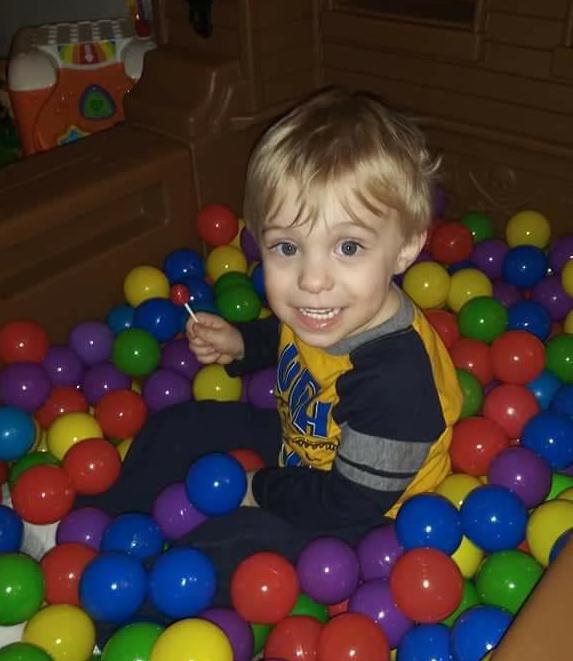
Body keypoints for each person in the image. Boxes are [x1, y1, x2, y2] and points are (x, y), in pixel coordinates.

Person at [76, 87, 462, 600]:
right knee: (179, 427)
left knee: (228, 550)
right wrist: (242, 343)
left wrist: (256, 487)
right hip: (298, 448)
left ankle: (125, 606)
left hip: (369, 520)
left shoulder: (396, 381)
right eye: (287, 247)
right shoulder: (332, 310)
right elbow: (288, 332)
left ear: (406, 247)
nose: (312, 280)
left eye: (348, 247)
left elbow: (349, 502)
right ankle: (93, 535)